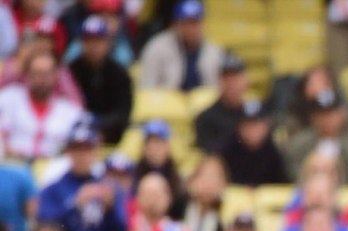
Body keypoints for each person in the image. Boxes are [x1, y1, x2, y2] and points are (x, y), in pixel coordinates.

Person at [35, 121, 127, 231]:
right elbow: (44, 229)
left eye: (87, 149)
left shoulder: (107, 187)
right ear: (68, 152)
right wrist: (74, 204)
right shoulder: (53, 189)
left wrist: (111, 210)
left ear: (96, 152)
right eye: (77, 149)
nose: (82, 155)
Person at [0, 49, 84, 161]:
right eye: (36, 73)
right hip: (10, 165)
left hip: (51, 169)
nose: (41, 79)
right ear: (27, 74)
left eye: (46, 74)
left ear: (55, 75)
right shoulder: (8, 98)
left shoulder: (70, 111)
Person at [68, 15, 132, 144]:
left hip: (109, 136)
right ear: (81, 42)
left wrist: (99, 125)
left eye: (98, 40)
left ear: (108, 43)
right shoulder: (71, 70)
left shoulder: (119, 73)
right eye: (88, 40)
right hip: (75, 134)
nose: (93, 46)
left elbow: (122, 112)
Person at [137, 0, 223, 90]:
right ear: (175, 24)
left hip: (205, 103)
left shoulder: (215, 51)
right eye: (185, 23)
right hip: (166, 102)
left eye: (194, 23)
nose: (190, 29)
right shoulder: (157, 47)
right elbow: (147, 86)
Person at [218, 99, 289, 187]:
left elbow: (284, 185)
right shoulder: (226, 151)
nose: (252, 130)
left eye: (256, 124)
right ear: (239, 127)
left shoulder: (275, 152)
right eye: (247, 124)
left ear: (266, 126)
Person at [194, 53, 249, 154]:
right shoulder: (206, 118)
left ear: (246, 81)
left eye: (235, 78)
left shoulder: (254, 115)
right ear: (219, 82)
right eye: (226, 78)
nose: (231, 83)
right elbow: (209, 155)